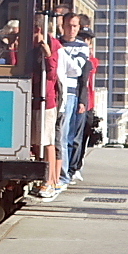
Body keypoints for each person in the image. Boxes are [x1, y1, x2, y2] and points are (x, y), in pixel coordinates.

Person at [56, 13, 89, 189]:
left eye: (75, 26)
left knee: (65, 134)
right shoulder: (57, 42)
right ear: (63, 26)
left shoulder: (82, 47)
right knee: (56, 135)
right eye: (69, 25)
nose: (72, 29)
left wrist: (59, 51)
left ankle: (65, 173)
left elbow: (76, 69)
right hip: (54, 91)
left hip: (69, 93)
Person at [31, 17, 61, 201]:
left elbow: (53, 74)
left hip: (46, 99)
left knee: (47, 139)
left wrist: (48, 53)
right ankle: (38, 177)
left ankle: (49, 181)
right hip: (31, 96)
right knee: (35, 140)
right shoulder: (29, 45)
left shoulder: (54, 44)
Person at [71, 25, 99, 181]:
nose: (86, 42)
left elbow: (93, 66)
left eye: (88, 39)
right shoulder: (84, 59)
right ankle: (74, 166)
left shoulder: (91, 60)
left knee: (84, 136)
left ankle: (78, 164)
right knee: (75, 136)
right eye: (83, 39)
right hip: (80, 100)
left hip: (89, 103)